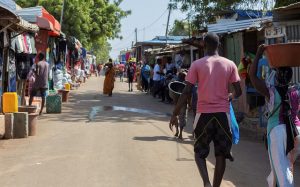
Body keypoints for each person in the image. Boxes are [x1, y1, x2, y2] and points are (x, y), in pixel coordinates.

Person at [170, 33, 242, 187]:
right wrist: (230, 96)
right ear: (219, 45)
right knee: (221, 154)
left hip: (203, 115)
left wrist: (175, 113)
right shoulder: (230, 64)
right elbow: (239, 91)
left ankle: (206, 183)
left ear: (203, 44)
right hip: (223, 115)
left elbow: (186, 91)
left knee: (199, 153)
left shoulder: (197, 64)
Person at [249, 45, 300, 187]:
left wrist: (258, 53)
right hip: (296, 132)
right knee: (283, 168)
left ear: (277, 76)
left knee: (282, 172)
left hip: (277, 132)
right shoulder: (296, 90)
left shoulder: (271, 91)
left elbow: (252, 76)